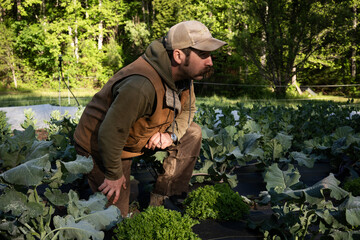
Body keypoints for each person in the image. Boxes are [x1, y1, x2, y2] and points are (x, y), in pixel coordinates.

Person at [73, 20, 227, 217]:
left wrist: (170, 135)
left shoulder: (184, 76)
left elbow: (189, 109)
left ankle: (163, 196)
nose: (210, 62)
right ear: (179, 55)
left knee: (193, 132)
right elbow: (110, 133)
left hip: (139, 134)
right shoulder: (141, 85)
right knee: (114, 219)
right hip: (103, 147)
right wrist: (113, 174)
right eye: (204, 55)